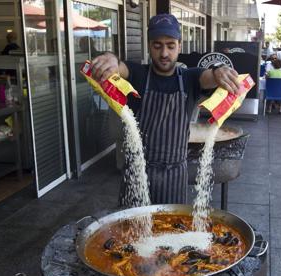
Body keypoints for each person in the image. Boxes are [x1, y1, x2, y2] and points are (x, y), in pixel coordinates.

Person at [90, 14, 240, 205]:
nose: (164, 53)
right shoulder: (138, 75)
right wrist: (110, 59)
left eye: (170, 45)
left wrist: (219, 69)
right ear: (149, 45)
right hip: (138, 172)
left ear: (179, 45)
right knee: (132, 230)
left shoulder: (190, 78)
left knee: (171, 230)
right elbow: (119, 67)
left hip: (174, 176)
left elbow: (210, 76)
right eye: (157, 45)